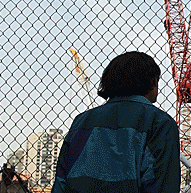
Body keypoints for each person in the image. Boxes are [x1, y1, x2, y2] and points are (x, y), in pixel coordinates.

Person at [52, 51, 180, 193]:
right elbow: (162, 184)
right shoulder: (160, 123)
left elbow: (61, 182)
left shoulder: (81, 121)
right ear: (153, 82)